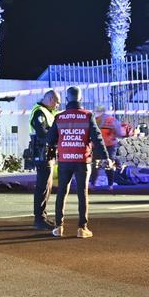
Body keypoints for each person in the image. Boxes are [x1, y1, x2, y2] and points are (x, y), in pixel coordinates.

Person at [45, 86, 110, 238]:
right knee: (82, 193)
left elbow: (50, 139)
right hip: (82, 160)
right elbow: (97, 137)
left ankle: (58, 227)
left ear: (67, 99)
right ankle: (82, 228)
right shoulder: (88, 115)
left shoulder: (59, 117)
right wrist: (105, 157)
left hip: (65, 160)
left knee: (62, 192)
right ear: (80, 99)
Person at [30, 90, 60, 229]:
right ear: (49, 98)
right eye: (56, 101)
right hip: (42, 152)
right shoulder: (39, 112)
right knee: (43, 186)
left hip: (48, 153)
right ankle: (39, 219)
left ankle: (42, 217)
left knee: (46, 186)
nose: (58, 105)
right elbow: (42, 133)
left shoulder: (48, 112)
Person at [90, 105, 124, 192]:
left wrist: (112, 136)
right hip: (98, 145)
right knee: (95, 165)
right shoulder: (94, 119)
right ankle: (93, 183)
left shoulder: (110, 120)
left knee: (108, 164)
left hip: (109, 145)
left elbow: (119, 132)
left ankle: (110, 184)